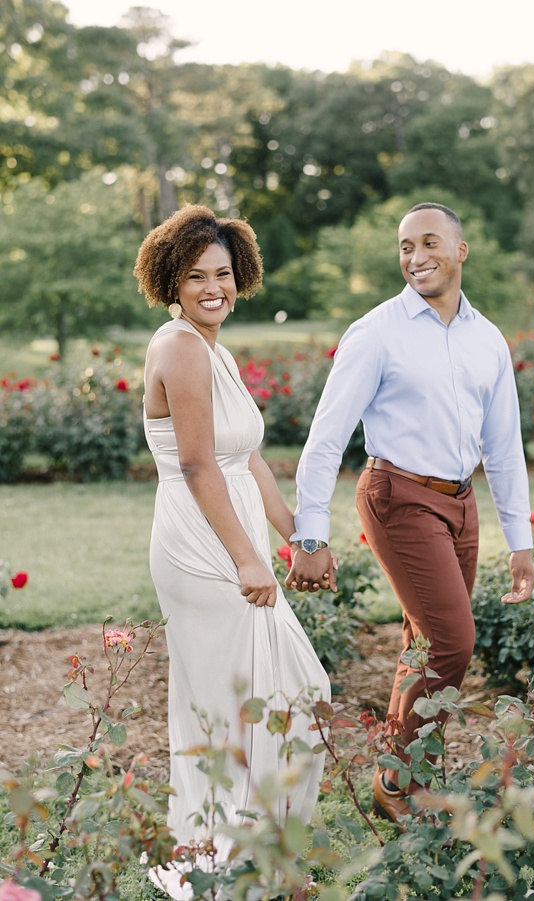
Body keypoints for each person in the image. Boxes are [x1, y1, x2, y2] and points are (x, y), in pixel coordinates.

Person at [286, 201, 534, 826]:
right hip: (396, 496)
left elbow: (504, 447)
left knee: (427, 642)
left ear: (460, 251)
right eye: (404, 247)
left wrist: (519, 541)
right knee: (453, 641)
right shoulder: (376, 332)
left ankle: (417, 772)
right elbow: (325, 437)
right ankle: (393, 776)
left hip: (459, 500)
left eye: (428, 243)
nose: (415, 257)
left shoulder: (487, 339)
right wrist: (308, 533)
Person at [134, 204, 330, 899]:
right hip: (202, 544)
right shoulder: (180, 347)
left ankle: (259, 855)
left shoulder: (215, 350)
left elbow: (246, 459)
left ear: (239, 273)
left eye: (222, 273)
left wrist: (299, 538)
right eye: (196, 276)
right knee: (262, 697)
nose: (212, 287)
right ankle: (236, 863)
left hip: (231, 532)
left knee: (267, 696)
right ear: (172, 283)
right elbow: (196, 465)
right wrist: (251, 558)